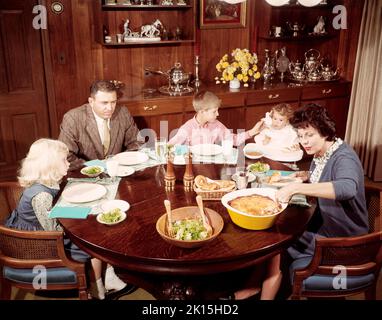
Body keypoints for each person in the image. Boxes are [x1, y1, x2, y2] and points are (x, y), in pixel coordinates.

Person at [5, 139, 134, 299]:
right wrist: (80, 225)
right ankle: (99, 289)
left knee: (93, 225)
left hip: (36, 229)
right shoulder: (41, 196)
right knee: (93, 242)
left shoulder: (45, 181)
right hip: (36, 244)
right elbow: (53, 232)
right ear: (49, 164)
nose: (68, 163)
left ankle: (108, 277)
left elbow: (49, 216)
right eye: (63, 160)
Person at [267, 103, 368, 298]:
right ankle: (272, 287)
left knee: (277, 238)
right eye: (301, 135)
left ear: (324, 131)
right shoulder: (322, 152)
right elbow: (323, 174)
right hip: (324, 227)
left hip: (344, 241)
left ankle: (264, 289)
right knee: (280, 233)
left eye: (310, 135)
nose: (304, 142)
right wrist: (302, 176)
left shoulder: (344, 157)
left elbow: (347, 188)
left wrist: (297, 187)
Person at [58, 80, 143, 170]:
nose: (110, 108)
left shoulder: (123, 112)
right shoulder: (73, 118)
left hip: (119, 170)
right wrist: (95, 168)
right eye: (104, 103)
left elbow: (137, 143)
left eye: (113, 102)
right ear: (91, 101)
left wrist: (122, 161)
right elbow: (65, 154)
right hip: (86, 175)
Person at [168, 90, 263, 146]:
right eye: (214, 111)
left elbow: (233, 140)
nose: (217, 114)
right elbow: (170, 146)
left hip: (212, 167)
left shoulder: (216, 125)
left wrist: (252, 132)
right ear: (202, 112)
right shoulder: (187, 128)